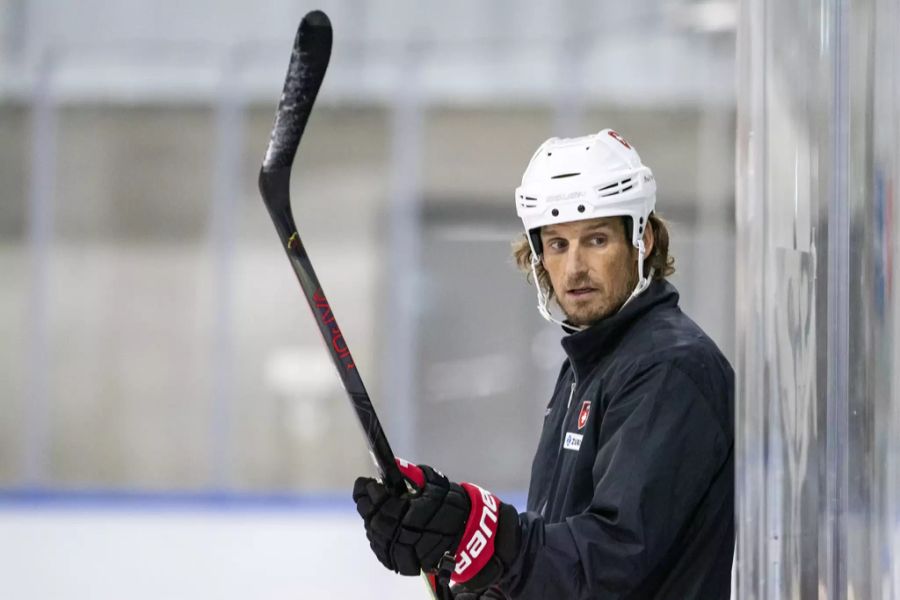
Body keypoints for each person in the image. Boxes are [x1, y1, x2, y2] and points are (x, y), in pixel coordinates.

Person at [353, 129, 735, 599]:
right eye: (557, 244)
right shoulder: (591, 363)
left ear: (645, 240)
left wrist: (480, 535)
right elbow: (557, 566)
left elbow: (609, 565)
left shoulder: (668, 370)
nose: (574, 268)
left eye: (595, 240)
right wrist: (449, 549)